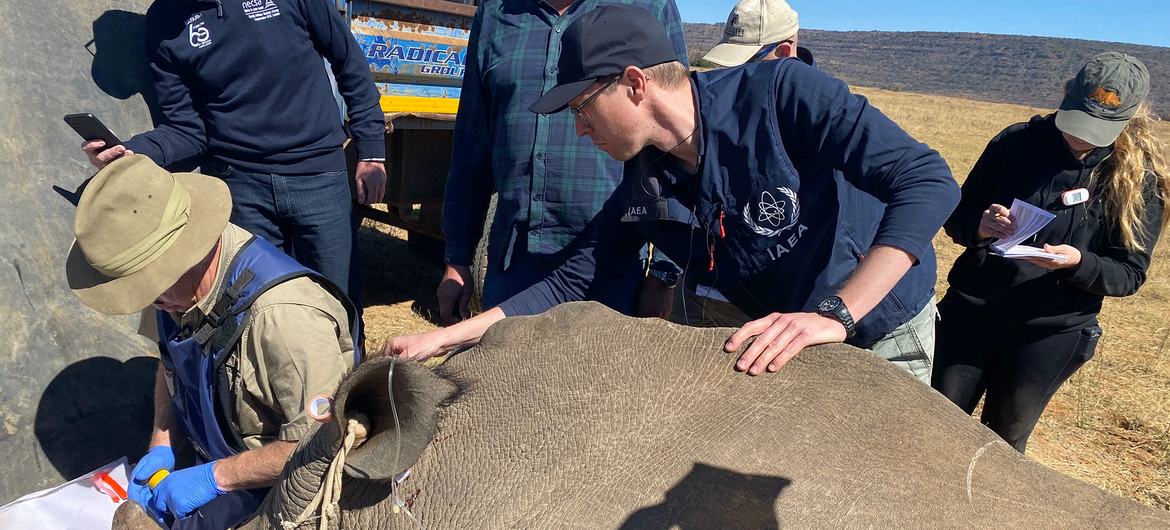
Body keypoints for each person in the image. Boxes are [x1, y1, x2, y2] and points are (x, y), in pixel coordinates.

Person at [385, 5, 959, 382]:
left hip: (882, 326)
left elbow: (928, 181)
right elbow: (568, 279)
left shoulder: (784, 93)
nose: (579, 129)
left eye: (582, 109)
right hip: (782, 332)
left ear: (634, 84)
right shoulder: (644, 178)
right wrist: (444, 338)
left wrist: (834, 314)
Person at [66, 156, 360, 528]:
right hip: (228, 464)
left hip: (289, 487)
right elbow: (169, 357)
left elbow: (329, 444)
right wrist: (162, 440)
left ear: (183, 254)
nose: (148, 300)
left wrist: (218, 477)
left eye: (149, 286)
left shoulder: (286, 318)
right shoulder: (173, 292)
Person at [931, 52, 1167, 452]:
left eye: (1098, 130)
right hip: (971, 313)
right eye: (1077, 122)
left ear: (1129, 118)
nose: (1081, 138)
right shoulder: (1015, 143)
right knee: (934, 421)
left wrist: (1077, 262)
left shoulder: (1139, 180)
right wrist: (980, 225)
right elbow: (958, 217)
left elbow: (1128, 273)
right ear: (1066, 97)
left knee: (1002, 445)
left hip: (1050, 332)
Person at [80, 0, 387, 308]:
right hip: (241, 189)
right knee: (255, 306)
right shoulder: (163, 21)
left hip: (319, 177)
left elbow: (349, 63)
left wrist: (372, 150)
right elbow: (187, 130)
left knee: (338, 303)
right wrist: (133, 152)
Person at [435, 0, 689, 324]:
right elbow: (472, 144)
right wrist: (457, 259)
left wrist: (664, 271)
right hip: (514, 262)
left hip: (610, 266)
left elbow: (673, 133)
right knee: (507, 372)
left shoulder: (648, 7)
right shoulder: (496, 12)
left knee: (599, 374)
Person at [672, 0, 834, 327]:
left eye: (747, 63)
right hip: (732, 301)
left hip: (815, 309)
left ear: (785, 52)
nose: (732, 77)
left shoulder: (823, 113)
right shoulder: (722, 113)